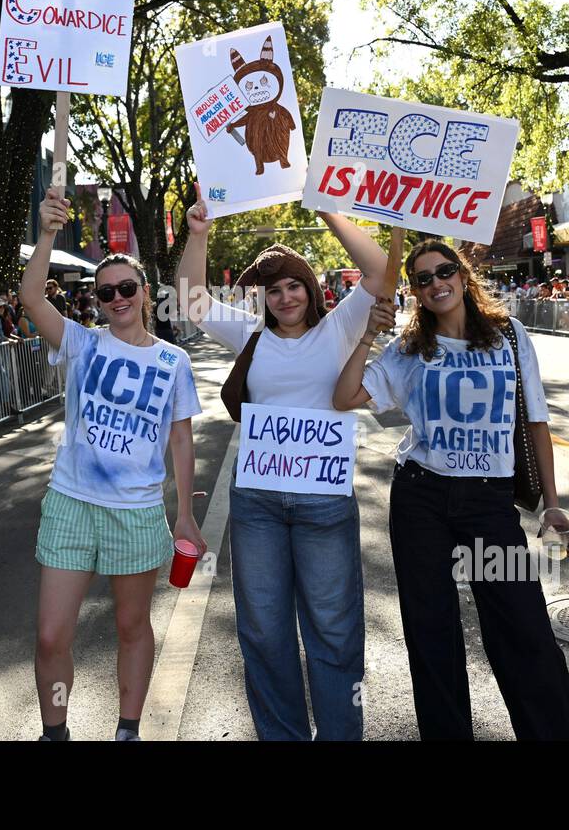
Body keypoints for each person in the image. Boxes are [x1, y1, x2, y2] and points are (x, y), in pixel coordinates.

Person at [332, 240, 569, 740]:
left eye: (444, 271)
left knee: (523, 628)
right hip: (421, 497)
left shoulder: (509, 335)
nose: (435, 282)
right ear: (416, 292)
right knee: (430, 634)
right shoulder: (409, 348)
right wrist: (367, 336)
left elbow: (536, 422)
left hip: (489, 503)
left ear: (463, 275)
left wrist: (552, 505)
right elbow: (344, 398)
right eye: (422, 278)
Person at [176, 193, 388, 742]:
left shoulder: (340, 328)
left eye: (294, 284)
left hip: (324, 505)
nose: (285, 296)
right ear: (264, 299)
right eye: (274, 290)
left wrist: (326, 210)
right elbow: (193, 303)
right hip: (259, 507)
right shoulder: (250, 334)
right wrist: (197, 232)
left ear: (311, 289)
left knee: (334, 630)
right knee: (264, 631)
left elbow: (380, 269)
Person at [23, 192, 203, 742]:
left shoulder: (174, 362)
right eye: (106, 292)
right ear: (97, 300)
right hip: (72, 503)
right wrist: (48, 233)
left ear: (145, 292)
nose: (118, 297)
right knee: (52, 635)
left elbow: (180, 439)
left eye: (128, 288)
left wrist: (186, 516)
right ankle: (55, 732)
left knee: (131, 626)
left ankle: (128, 728)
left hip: (137, 511)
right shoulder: (80, 344)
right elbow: (32, 297)